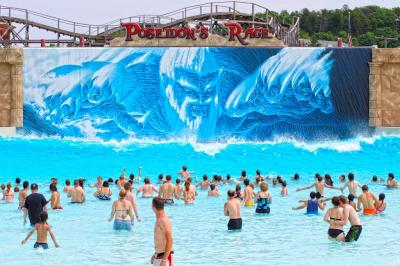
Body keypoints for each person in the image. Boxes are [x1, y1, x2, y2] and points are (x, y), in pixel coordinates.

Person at [151, 197, 173, 266]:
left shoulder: (164, 221)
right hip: (159, 256)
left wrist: (164, 260)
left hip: (165, 258)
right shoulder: (159, 219)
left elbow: (170, 240)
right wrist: (155, 254)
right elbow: (160, 240)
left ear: (153, 207)